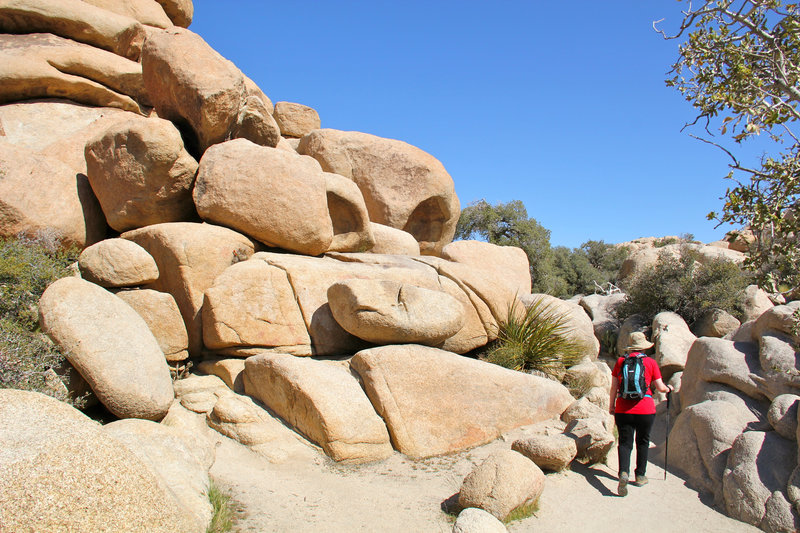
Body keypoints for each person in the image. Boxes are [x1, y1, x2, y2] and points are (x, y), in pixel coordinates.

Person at [609, 331, 673, 497]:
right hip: (645, 408)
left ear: (630, 347)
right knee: (643, 442)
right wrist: (669, 389)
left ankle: (623, 472)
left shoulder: (621, 362)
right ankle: (640, 475)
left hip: (623, 408)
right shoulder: (650, 362)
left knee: (625, 442)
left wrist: (612, 406)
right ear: (644, 347)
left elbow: (614, 388)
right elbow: (660, 387)